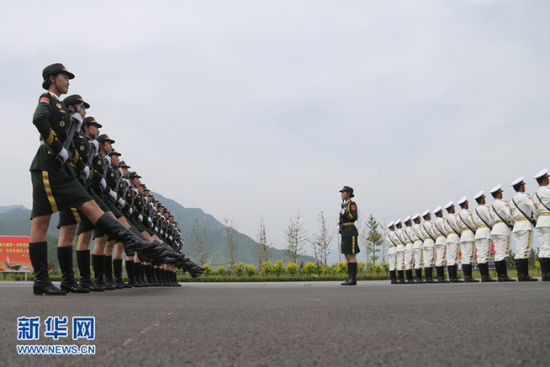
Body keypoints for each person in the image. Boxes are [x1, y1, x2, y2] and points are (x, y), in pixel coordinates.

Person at [29, 63, 178, 295]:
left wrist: (77, 159)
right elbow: (39, 119)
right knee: (41, 223)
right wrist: (58, 147)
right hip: (47, 165)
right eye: (64, 77)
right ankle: (42, 281)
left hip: (65, 171)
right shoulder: (47, 99)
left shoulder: (65, 113)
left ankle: (136, 243)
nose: (67, 81)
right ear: (51, 78)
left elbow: (75, 150)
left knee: (91, 207)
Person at [509, 177, 537, 281]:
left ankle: (520, 275)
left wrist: (513, 222)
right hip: (525, 224)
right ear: (521, 186)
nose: (524, 187)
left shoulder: (512, 200)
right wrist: (535, 217)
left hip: (517, 225)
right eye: (523, 185)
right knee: (525, 250)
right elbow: (534, 207)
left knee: (519, 250)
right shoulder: (525, 197)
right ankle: (524, 275)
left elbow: (510, 214)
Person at [488, 185, 515, 282]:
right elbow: (509, 215)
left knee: (498, 253)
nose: (502, 193)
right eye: (501, 192)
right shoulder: (503, 203)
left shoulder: (491, 206)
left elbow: (490, 219)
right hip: (502, 228)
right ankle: (504, 275)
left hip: (495, 228)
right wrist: (513, 222)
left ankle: (500, 275)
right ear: (498, 194)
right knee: (502, 253)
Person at [471, 191, 496, 282]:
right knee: (485, 254)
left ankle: (483, 276)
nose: (485, 199)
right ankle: (486, 276)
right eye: (484, 198)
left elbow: (473, 223)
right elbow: (491, 219)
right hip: (485, 231)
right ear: (481, 199)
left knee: (480, 255)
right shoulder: (485, 209)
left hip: (478, 232)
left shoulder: (474, 211)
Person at [338, 186, 359, 286]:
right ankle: (349, 277)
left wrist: (346, 214)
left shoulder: (352, 204)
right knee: (346, 254)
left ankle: (353, 278)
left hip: (350, 230)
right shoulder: (343, 205)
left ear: (349, 193)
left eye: (343, 192)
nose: (342, 194)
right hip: (345, 230)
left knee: (351, 254)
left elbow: (354, 216)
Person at [533, 169, 550, 281]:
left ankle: (545, 274)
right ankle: (548, 274)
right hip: (548, 220)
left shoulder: (535, 195)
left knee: (543, 248)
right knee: (548, 247)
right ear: (544, 179)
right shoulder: (548, 192)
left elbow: (534, 211)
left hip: (540, 221)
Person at [457, 197, 478, 282]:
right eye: (467, 203)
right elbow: (473, 223)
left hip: (463, 235)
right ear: (465, 204)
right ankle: (469, 277)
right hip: (469, 235)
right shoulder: (467, 213)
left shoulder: (458, 215)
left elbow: (458, 226)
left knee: (464, 257)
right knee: (469, 256)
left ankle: (466, 276)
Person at [444, 201, 463, 282]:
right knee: (453, 258)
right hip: (454, 237)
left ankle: (451, 277)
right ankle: (453, 277)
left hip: (449, 237)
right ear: (451, 209)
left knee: (450, 258)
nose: (454, 209)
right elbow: (458, 227)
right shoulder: (452, 217)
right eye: (453, 207)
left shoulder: (445, 219)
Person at [432, 206, 448, 283]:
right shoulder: (442, 220)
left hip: (438, 239)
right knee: (442, 258)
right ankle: (441, 277)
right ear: (439, 213)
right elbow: (446, 229)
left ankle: (439, 277)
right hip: (443, 239)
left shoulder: (434, 222)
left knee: (439, 258)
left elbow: (433, 233)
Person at [420, 210, 436, 283]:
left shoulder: (422, 226)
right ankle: (429, 278)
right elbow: (434, 233)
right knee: (430, 259)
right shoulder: (430, 224)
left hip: (425, 242)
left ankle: (427, 277)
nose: (430, 216)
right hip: (430, 242)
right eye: (429, 215)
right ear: (427, 216)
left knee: (426, 260)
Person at [411, 214, 424, 283]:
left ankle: (418, 277)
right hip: (419, 243)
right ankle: (419, 278)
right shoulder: (418, 227)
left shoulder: (413, 227)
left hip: (415, 244)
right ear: (417, 220)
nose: (420, 220)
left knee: (417, 261)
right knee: (419, 261)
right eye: (419, 219)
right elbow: (421, 235)